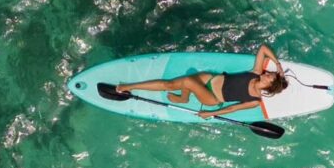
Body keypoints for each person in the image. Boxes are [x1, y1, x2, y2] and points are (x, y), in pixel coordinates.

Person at [116, 43, 288, 118]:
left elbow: (233, 108)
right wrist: (278, 64)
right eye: (269, 73)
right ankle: (183, 97)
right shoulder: (256, 72)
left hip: (212, 98)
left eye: (269, 76)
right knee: (177, 82)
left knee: (186, 81)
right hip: (211, 79)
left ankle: (129, 87)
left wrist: (210, 113)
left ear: (268, 85)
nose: (266, 73)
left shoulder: (255, 101)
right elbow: (263, 48)